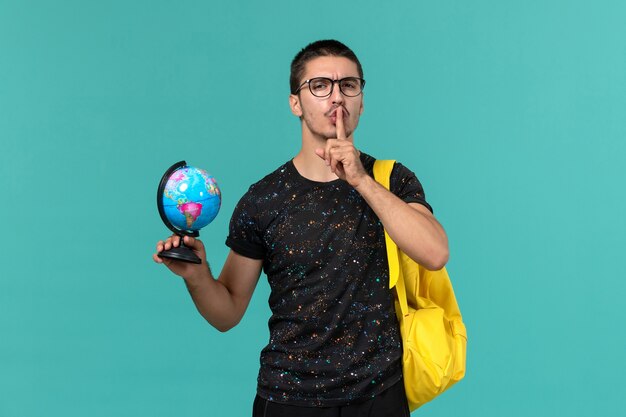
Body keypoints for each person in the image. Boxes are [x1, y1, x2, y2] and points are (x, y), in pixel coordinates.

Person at [153, 39, 449, 417]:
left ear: (361, 100)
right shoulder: (263, 200)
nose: (336, 97)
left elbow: (435, 252)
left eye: (348, 85)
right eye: (320, 85)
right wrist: (196, 276)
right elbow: (226, 313)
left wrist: (360, 180)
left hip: (379, 397)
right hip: (289, 400)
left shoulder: (390, 179)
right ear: (296, 103)